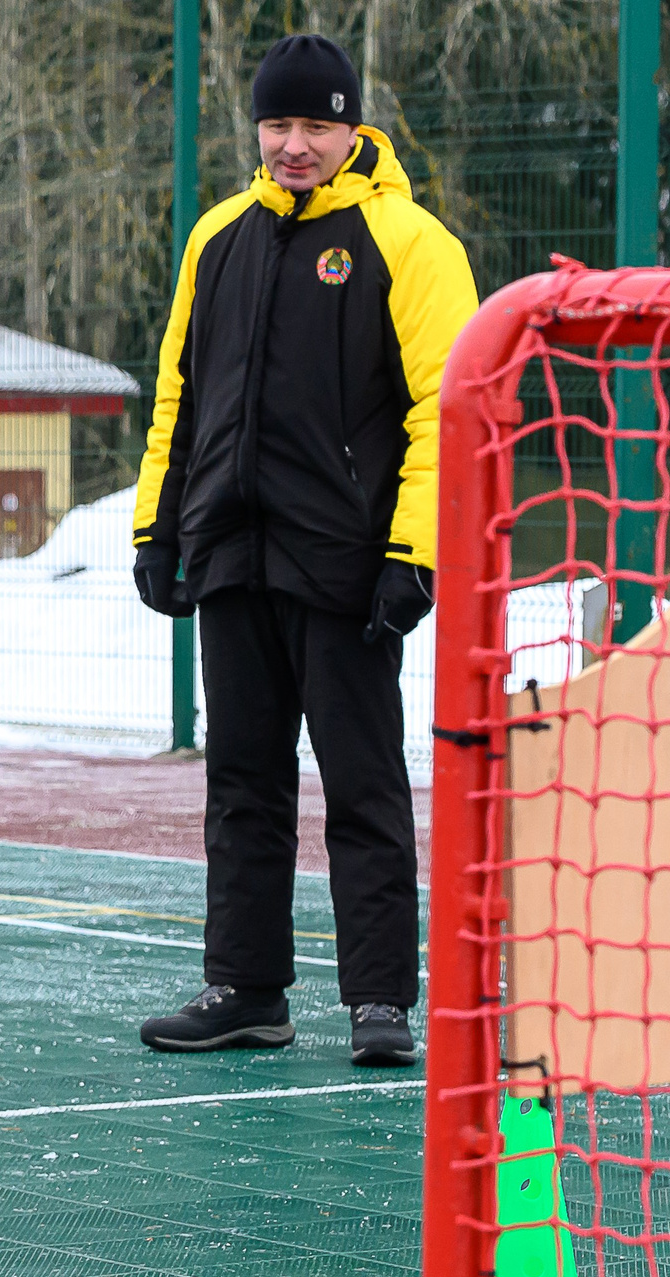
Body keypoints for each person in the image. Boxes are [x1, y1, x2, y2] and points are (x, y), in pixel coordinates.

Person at [127, 36, 477, 1067]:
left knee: (362, 785)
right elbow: (179, 396)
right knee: (241, 782)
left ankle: (381, 1000)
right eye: (277, 125)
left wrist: (414, 554)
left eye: (315, 126)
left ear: (352, 128)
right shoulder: (217, 238)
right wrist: (158, 525)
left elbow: (449, 411)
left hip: (349, 566)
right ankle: (246, 988)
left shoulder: (410, 243)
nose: (293, 145)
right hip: (233, 556)